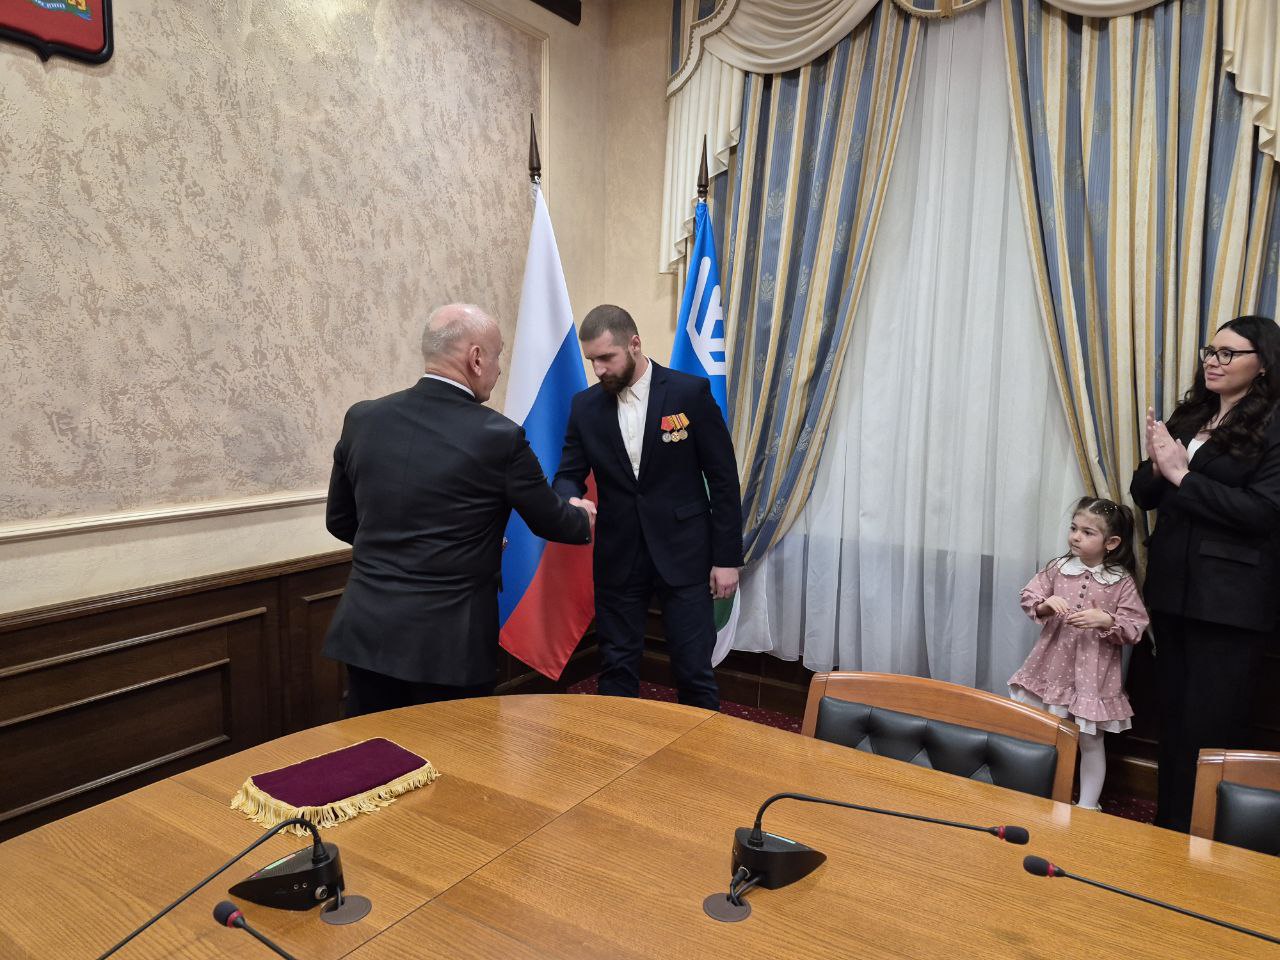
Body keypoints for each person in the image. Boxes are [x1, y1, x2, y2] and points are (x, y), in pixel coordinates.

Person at [322, 303, 596, 717]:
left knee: (374, 748)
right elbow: (553, 522)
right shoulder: (498, 436)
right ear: (476, 358)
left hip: (366, 632)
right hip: (448, 644)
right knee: (453, 751)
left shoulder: (362, 418)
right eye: (498, 356)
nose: (500, 370)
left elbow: (340, 520)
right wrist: (582, 514)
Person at [1131, 314, 1280, 832]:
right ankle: (1168, 828)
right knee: (1171, 718)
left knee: (1210, 727)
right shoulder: (1193, 413)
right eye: (1210, 352)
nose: (1213, 362)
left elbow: (1263, 512)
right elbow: (1145, 494)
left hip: (1230, 602)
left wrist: (1182, 474)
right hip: (1171, 591)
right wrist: (1157, 466)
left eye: (1228, 353)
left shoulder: (1274, 425)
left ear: (1263, 364)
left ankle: (1202, 839)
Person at [553, 304, 743, 710]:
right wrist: (569, 498)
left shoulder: (689, 393)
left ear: (634, 344)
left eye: (607, 357)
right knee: (616, 670)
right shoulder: (585, 407)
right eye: (592, 361)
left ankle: (702, 748)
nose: (599, 369)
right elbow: (568, 473)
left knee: (694, 671)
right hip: (619, 556)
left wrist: (726, 559)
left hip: (685, 555)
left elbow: (724, 481)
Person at [1009, 497, 1149, 811]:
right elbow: (1030, 596)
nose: (1075, 537)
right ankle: (1038, 794)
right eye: (1074, 528)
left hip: (1093, 677)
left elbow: (1136, 625)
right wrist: (1046, 605)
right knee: (1048, 731)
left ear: (1111, 543)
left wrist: (1106, 620)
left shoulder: (1120, 581)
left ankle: (1087, 806)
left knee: (1090, 740)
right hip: (1052, 668)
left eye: (1087, 532)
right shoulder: (1058, 568)